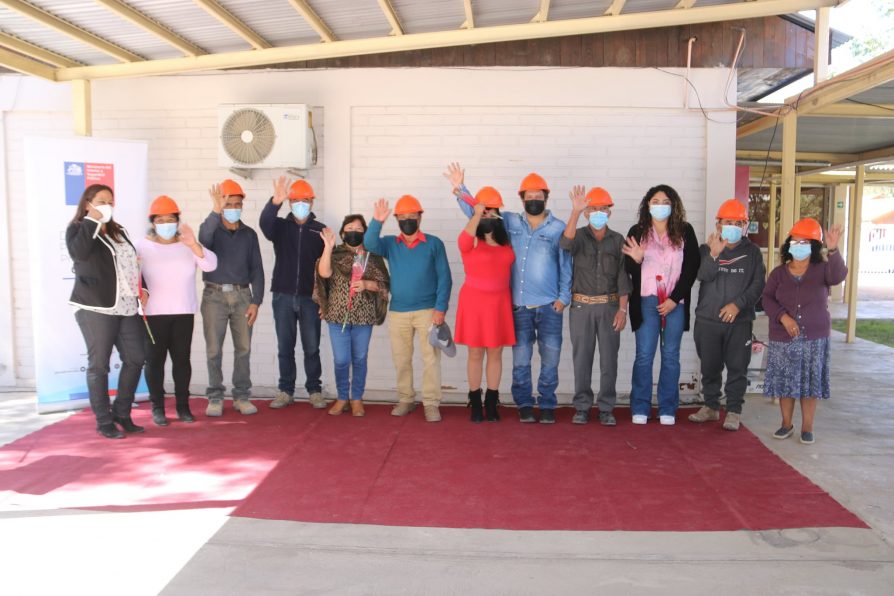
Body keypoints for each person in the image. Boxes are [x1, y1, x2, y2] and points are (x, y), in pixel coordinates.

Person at [445, 163, 571, 424]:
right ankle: (487, 402)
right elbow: (478, 210)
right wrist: (461, 189)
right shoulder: (502, 225)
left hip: (521, 304)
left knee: (526, 357)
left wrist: (564, 296)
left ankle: (511, 402)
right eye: (529, 195)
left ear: (546, 197)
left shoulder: (549, 227)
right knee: (501, 358)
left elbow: (566, 260)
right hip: (500, 305)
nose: (534, 200)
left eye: (539, 196)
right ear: (521, 198)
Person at [66, 184, 146, 439]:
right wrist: (92, 220)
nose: (107, 205)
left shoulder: (119, 231)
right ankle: (103, 421)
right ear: (88, 203)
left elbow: (131, 265)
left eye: (111, 201)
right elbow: (78, 254)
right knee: (99, 365)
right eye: (101, 200)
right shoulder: (79, 228)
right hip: (96, 306)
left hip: (126, 304)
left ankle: (122, 413)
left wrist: (141, 288)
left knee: (135, 358)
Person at [364, 195, 452, 422]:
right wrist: (377, 221)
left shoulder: (434, 244)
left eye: (412, 216)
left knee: (430, 359)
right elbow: (369, 244)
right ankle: (406, 399)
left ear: (420, 217)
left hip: (428, 311)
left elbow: (445, 278)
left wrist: (440, 309)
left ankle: (431, 403)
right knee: (401, 358)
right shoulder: (391, 244)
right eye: (402, 218)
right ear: (396, 220)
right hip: (398, 312)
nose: (407, 221)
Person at [762, 218, 845, 445]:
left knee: (810, 384)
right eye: (795, 241)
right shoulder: (778, 273)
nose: (798, 246)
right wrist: (783, 317)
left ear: (814, 246)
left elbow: (838, 276)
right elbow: (766, 299)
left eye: (805, 242)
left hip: (814, 337)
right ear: (789, 244)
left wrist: (834, 248)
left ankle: (807, 427)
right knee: (785, 383)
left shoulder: (823, 270)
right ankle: (786, 424)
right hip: (783, 337)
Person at [622, 184, 700, 425]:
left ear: (673, 205)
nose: (660, 206)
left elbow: (691, 268)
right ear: (647, 205)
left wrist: (674, 299)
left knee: (670, 356)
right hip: (646, 301)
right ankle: (640, 407)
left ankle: (667, 407)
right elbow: (628, 269)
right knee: (644, 356)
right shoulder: (637, 230)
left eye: (665, 201)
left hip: (674, 303)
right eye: (655, 201)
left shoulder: (685, 231)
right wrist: (636, 259)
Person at [137, 195, 217, 426]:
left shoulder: (187, 245)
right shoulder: (141, 246)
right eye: (160, 220)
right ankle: (158, 407)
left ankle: (183, 406)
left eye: (170, 219)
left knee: (182, 360)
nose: (165, 224)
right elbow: (129, 274)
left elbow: (211, 265)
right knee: (154, 362)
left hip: (183, 312)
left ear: (178, 220)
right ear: (152, 222)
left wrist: (193, 244)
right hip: (152, 314)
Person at [689, 199, 765, 431]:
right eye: (728, 222)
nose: (732, 226)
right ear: (718, 224)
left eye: (738, 222)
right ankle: (711, 407)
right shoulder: (705, 249)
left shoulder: (752, 253)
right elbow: (702, 276)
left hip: (739, 321)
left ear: (744, 226)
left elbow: (757, 285)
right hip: (708, 321)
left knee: (737, 367)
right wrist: (713, 254)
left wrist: (737, 305)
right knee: (709, 367)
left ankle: (733, 411)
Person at [561, 186, 631, 426]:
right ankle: (581, 406)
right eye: (593, 209)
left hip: (610, 307)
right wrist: (575, 212)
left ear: (609, 212)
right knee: (582, 359)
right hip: (581, 307)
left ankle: (606, 407)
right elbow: (564, 244)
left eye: (603, 209)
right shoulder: (578, 235)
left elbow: (623, 277)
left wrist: (623, 310)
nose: (599, 213)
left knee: (609, 360)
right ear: (587, 212)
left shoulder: (617, 240)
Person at [198, 179, 264, 417]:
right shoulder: (211, 229)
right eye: (229, 203)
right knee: (214, 349)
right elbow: (202, 241)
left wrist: (256, 301)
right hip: (213, 295)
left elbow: (257, 268)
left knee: (243, 349)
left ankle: (242, 396)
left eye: (238, 204)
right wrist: (215, 210)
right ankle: (215, 397)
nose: (234, 208)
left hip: (243, 296)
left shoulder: (249, 234)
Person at [261, 177, 328, 410]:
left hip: (310, 299)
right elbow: (264, 223)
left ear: (312, 202)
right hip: (283, 296)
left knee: (312, 347)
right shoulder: (279, 227)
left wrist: (324, 300)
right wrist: (274, 202)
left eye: (305, 200)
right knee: (285, 347)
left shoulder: (320, 231)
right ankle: (285, 390)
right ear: (290, 203)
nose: (301, 203)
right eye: (296, 200)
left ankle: (314, 390)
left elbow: (326, 270)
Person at [313, 215, 390, 417]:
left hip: (364, 317)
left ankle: (356, 398)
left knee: (360, 358)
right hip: (338, 316)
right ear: (342, 233)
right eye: (350, 227)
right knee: (341, 359)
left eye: (358, 228)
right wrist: (328, 247)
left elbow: (384, 286)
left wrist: (368, 284)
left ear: (364, 233)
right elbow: (324, 274)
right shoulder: (335, 254)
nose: (354, 231)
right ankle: (342, 397)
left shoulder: (372, 258)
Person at [454, 187, 516, 423]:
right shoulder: (472, 240)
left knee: (496, 351)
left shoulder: (507, 240)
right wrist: (476, 213)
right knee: (475, 352)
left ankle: (492, 400)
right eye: (484, 212)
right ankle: (475, 401)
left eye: (492, 212)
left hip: (499, 302)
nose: (488, 216)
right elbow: (461, 242)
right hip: (474, 303)